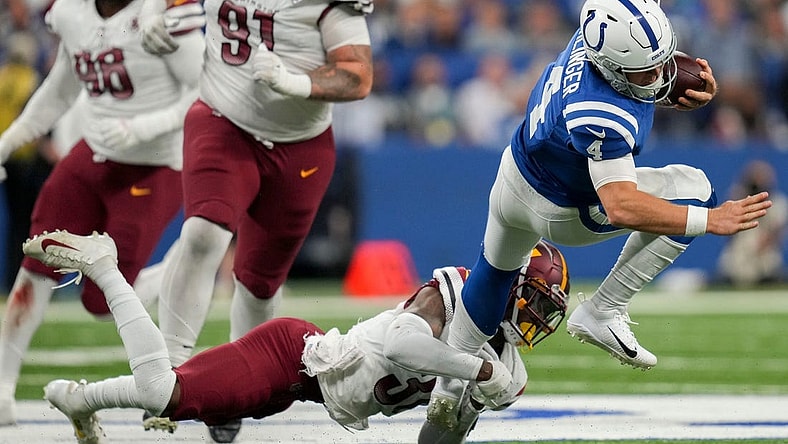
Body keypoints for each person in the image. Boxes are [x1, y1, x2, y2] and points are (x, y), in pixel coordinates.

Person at [425, 0, 773, 428]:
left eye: (665, 59)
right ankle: (603, 309)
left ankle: (445, 392)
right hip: (564, 208)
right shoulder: (600, 110)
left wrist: (667, 87)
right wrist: (711, 222)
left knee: (495, 272)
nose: (662, 75)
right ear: (610, 68)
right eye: (649, 71)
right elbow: (621, 205)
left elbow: (645, 63)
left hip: (515, 172)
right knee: (697, 193)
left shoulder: (609, 22)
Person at [21, 230, 570, 444]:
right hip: (291, 357)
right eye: (537, 302)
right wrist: (476, 373)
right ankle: (106, 266)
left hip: (304, 389)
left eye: (546, 311)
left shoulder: (502, 363)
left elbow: (434, 440)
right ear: (511, 286)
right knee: (164, 392)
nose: (535, 320)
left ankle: (77, 399)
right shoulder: (454, 297)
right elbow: (404, 345)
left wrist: (464, 408)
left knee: (181, 398)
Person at [138, 0, 374, 440]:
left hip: (300, 145)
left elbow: (358, 75)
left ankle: (230, 390)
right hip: (222, 119)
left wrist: (295, 81)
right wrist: (152, 10)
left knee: (259, 282)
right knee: (204, 233)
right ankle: (167, 377)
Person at [0, 0, 205, 426]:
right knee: (40, 257)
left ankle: (169, 272)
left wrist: (143, 127)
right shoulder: (72, 12)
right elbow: (60, 90)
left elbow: (206, 89)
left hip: (155, 164)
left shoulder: (163, 11)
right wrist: (7, 141)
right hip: (92, 153)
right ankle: (1, 389)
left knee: (99, 299)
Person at [717, 160, 787, 287]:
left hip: (764, 258)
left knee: (770, 266)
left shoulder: (778, 204)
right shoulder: (736, 200)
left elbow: (775, 235)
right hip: (739, 255)